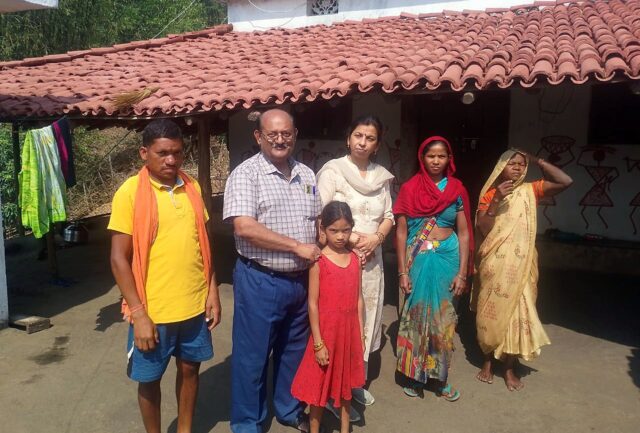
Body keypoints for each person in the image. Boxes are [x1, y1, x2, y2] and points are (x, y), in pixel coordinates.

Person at [109, 119, 221, 433]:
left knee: (190, 370)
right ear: (144, 153)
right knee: (149, 381)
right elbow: (118, 259)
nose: (171, 160)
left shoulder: (192, 186)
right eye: (162, 153)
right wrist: (139, 313)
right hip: (153, 312)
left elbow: (203, 245)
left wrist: (212, 292)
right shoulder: (130, 193)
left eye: (177, 152)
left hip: (194, 308)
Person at [223, 108, 322, 433]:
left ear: (295, 135)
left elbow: (316, 224)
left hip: (300, 281)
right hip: (261, 280)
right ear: (259, 137)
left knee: (293, 351)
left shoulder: (307, 175)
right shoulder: (246, 174)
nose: (280, 140)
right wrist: (295, 247)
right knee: (251, 358)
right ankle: (247, 423)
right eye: (272, 134)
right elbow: (244, 227)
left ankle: (288, 409)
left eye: (286, 133)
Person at [472, 149, 573, 391]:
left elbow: (565, 181)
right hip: (495, 263)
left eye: (521, 164)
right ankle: (488, 360)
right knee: (490, 313)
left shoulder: (531, 190)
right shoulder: (489, 193)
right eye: (511, 163)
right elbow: (484, 229)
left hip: (522, 263)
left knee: (519, 313)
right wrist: (496, 199)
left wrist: (539, 161)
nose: (517, 167)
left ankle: (509, 367)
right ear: (501, 167)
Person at [316, 115, 394, 416]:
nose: (363, 142)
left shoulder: (381, 177)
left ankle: (353, 381)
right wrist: (353, 240)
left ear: (377, 145)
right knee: (338, 321)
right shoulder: (333, 171)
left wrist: (376, 238)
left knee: (364, 319)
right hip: (340, 261)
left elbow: (389, 215)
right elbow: (320, 216)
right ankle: (331, 391)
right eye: (358, 136)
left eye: (370, 138)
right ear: (348, 139)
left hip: (372, 262)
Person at [393, 136, 473, 400]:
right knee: (416, 314)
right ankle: (414, 376)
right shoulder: (409, 189)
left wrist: (462, 273)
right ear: (422, 158)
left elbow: (464, 233)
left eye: (441, 156)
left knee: (443, 317)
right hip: (418, 257)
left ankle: (439, 378)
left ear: (449, 159)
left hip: (448, 257)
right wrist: (402, 271)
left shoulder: (457, 189)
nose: (436, 161)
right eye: (431, 156)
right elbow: (401, 233)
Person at [291, 201, 365, 433]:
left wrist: (361, 334)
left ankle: (345, 429)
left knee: (345, 387)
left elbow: (359, 299)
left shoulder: (355, 260)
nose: (340, 236)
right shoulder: (318, 262)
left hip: (348, 334)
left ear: (352, 228)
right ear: (323, 229)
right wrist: (318, 343)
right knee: (318, 389)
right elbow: (312, 304)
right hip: (326, 335)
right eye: (334, 230)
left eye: (346, 230)